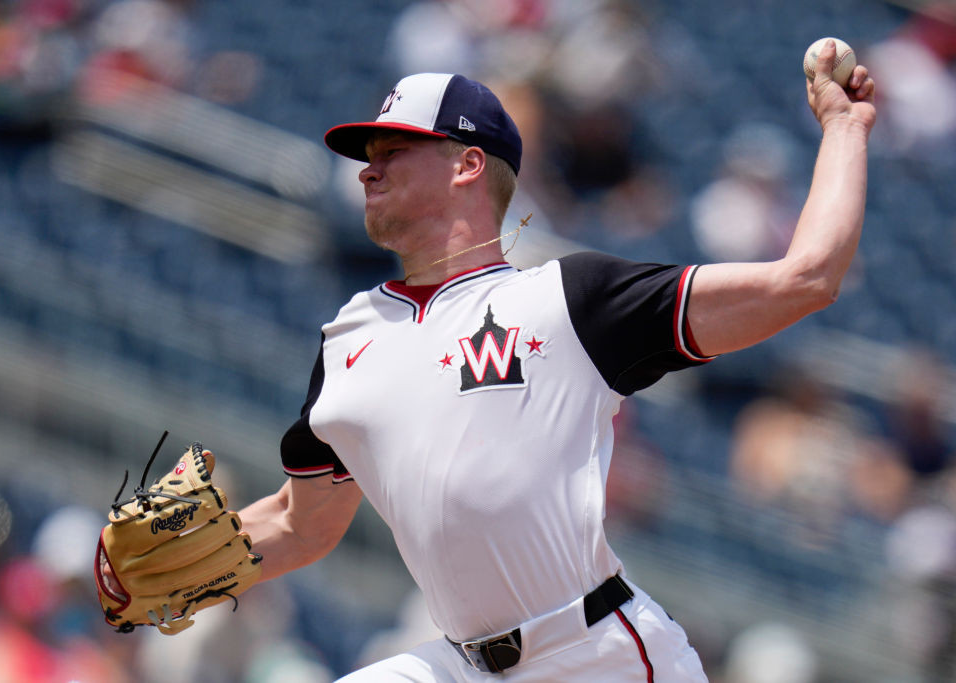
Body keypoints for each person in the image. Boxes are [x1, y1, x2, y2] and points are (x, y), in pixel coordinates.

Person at [238, 42, 876, 681]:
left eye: (392, 152)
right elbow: (299, 524)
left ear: (467, 164)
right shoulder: (349, 338)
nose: (367, 170)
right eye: (367, 157)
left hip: (595, 654)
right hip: (460, 664)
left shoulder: (566, 301)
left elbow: (806, 280)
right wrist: (141, 570)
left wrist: (845, 127)